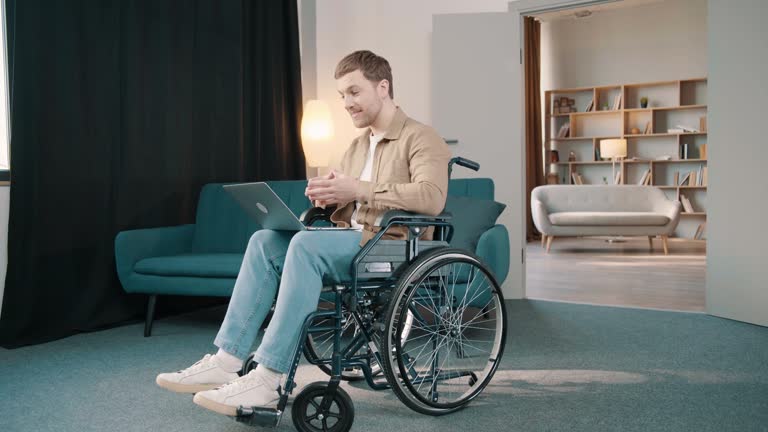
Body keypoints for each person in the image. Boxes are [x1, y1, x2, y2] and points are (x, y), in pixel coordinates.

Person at [155, 50, 451, 416]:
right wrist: (325, 199)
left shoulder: (421, 137)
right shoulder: (357, 146)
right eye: (342, 95)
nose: (346, 103)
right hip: (348, 241)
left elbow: (432, 197)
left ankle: (269, 377)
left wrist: (357, 189)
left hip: (389, 247)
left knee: (307, 246)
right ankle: (227, 359)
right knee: (265, 241)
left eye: (354, 92)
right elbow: (343, 199)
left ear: (383, 87)